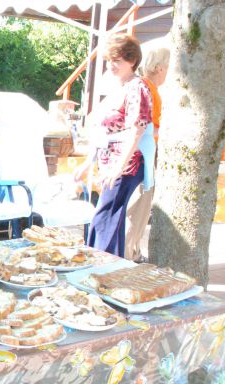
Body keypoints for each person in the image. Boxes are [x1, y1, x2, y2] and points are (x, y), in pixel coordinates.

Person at [74, 34, 154, 258]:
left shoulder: (138, 87)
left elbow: (137, 130)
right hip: (111, 161)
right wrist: (88, 164)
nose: (112, 65)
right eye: (110, 60)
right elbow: (103, 134)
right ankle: (103, 268)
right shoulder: (120, 87)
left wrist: (120, 165)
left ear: (132, 60)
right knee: (109, 217)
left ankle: (100, 267)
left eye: (118, 60)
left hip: (127, 162)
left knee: (106, 216)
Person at [125, 47, 170, 261]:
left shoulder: (147, 87)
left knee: (138, 212)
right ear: (160, 68)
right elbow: (146, 128)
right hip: (140, 158)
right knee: (137, 211)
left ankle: (131, 252)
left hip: (140, 157)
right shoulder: (148, 89)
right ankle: (127, 256)